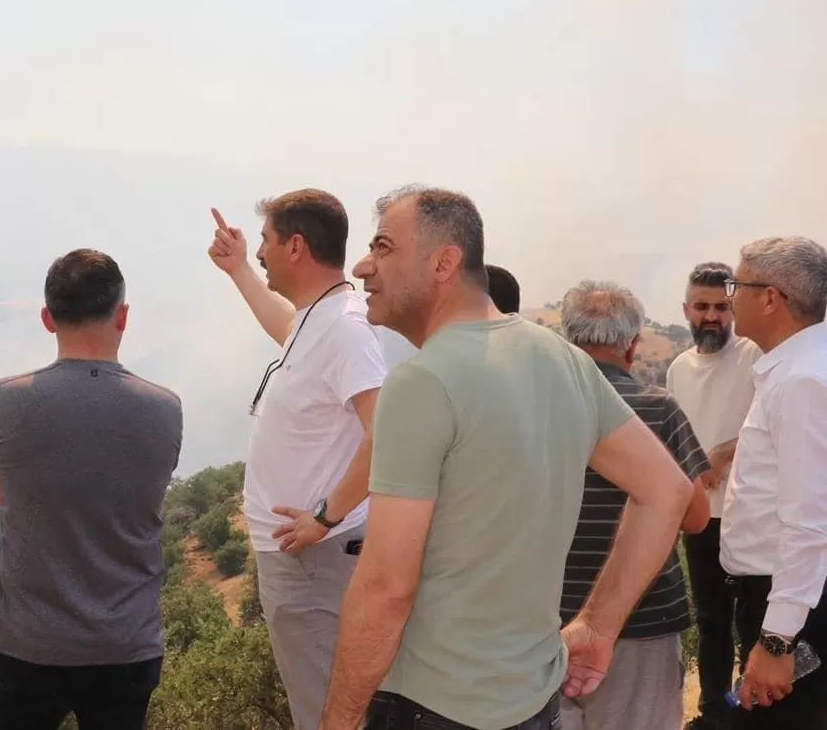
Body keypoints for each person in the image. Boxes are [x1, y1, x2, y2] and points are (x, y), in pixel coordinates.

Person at [317, 185, 694, 730]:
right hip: (531, 700)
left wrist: (338, 720)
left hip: (432, 704)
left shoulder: (421, 382)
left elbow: (385, 585)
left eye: (383, 247)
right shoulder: (560, 358)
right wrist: (598, 626)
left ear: (444, 262)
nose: (363, 265)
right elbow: (669, 491)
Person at [207, 189, 408, 730]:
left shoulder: (344, 327)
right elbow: (287, 330)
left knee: (329, 711)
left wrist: (325, 517)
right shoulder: (317, 317)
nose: (261, 255)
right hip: (303, 559)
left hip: (315, 563)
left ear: (296, 246)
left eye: (267, 244)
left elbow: (387, 433)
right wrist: (236, 272)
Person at [0, 249, 183, 730]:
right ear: (122, 316)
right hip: (127, 644)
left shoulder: (7, 398)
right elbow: (141, 492)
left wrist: (38, 488)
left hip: (28, 644)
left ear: (47, 318)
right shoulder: (165, 408)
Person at [558, 279, 712, 730]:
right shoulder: (656, 408)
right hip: (644, 618)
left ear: (568, 338)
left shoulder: (539, 405)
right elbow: (697, 517)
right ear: (632, 345)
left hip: (547, 616)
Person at [719, 236, 827, 728]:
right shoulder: (799, 369)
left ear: (770, 298)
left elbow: (808, 518)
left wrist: (778, 638)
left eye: (735, 285)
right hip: (790, 594)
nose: (728, 298)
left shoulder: (802, 379)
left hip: (789, 602)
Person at [666, 262, 763, 730]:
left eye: (721, 308)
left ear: (733, 308)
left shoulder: (754, 357)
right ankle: (713, 714)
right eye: (701, 307)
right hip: (701, 518)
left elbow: (775, 430)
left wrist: (724, 452)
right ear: (686, 310)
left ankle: (753, 713)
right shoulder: (677, 369)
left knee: (753, 624)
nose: (711, 317)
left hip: (752, 517)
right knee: (709, 622)